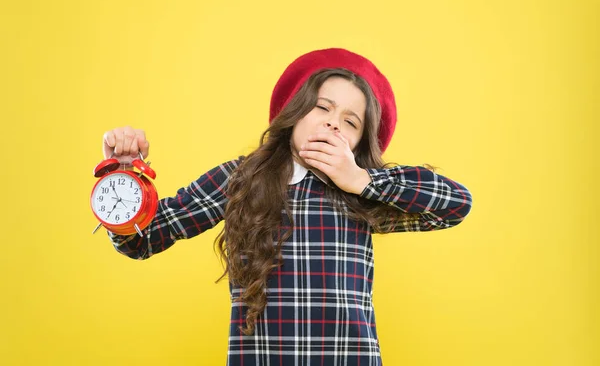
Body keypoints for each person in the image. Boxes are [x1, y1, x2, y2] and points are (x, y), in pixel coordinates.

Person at [101, 48, 473, 366]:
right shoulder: (241, 178)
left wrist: (361, 180)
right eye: (322, 106)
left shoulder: (362, 191)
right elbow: (141, 240)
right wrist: (124, 175)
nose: (332, 122)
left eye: (351, 121)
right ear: (294, 112)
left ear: (359, 143)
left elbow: (455, 205)